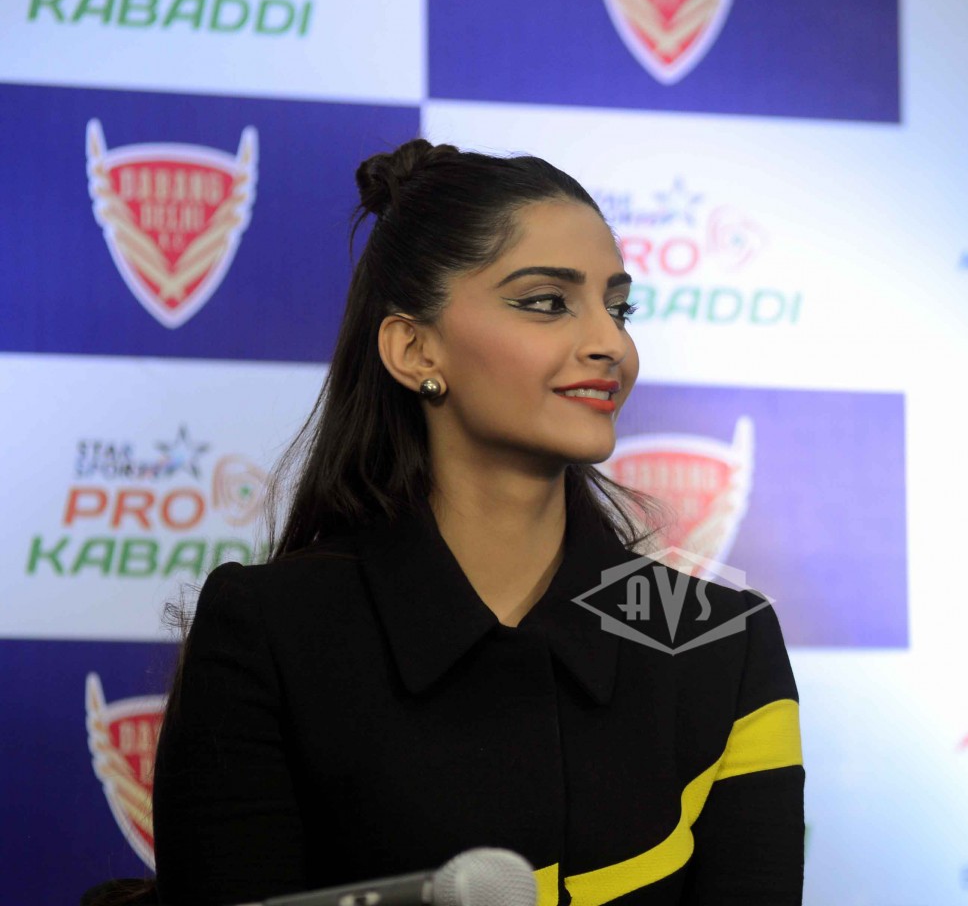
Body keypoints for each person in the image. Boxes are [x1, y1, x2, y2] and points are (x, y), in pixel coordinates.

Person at [147, 140, 804, 906]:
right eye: (547, 302)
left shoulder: (718, 636)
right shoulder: (270, 629)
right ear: (414, 348)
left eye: (619, 307)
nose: (611, 344)